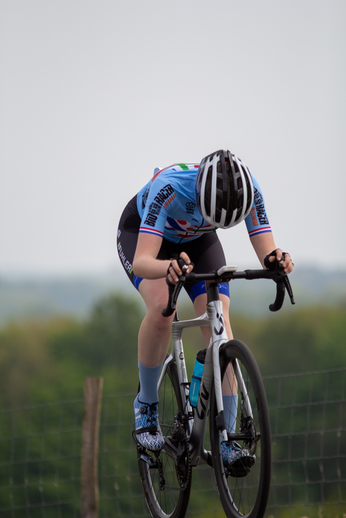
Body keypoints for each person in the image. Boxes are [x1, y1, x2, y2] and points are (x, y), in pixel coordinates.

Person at [117, 149, 294, 467]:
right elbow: (144, 262)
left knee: (219, 326)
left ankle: (226, 439)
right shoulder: (171, 187)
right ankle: (146, 404)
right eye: (214, 216)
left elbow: (267, 248)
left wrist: (276, 261)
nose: (217, 222)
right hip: (146, 236)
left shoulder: (248, 189)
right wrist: (168, 266)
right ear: (201, 193)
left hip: (198, 241)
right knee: (162, 308)